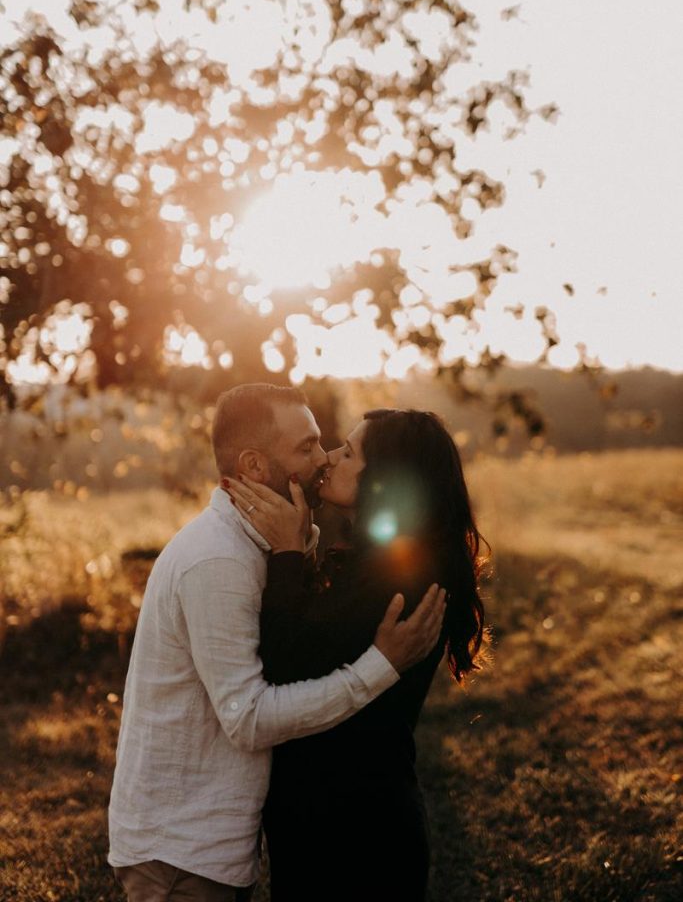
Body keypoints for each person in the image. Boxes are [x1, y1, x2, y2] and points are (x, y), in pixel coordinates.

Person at [108, 385, 446, 902]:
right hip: (181, 851)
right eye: (307, 447)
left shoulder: (267, 547)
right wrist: (380, 667)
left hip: (227, 845)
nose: (324, 458)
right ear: (255, 465)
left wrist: (299, 548)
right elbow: (250, 716)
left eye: (330, 447)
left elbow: (300, 647)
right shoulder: (218, 561)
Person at [227, 408, 487, 902]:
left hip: (355, 835)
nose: (329, 460)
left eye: (348, 453)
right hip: (329, 820)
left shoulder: (399, 577)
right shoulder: (378, 563)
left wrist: (286, 553)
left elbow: (281, 666)